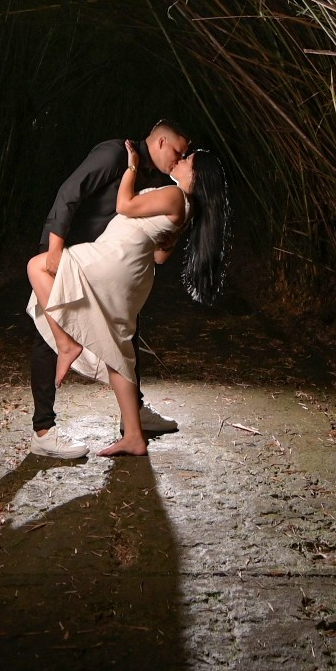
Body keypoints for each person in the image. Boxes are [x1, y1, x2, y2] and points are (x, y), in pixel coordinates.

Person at [27, 142, 230, 456]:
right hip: (134, 276)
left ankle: (65, 342)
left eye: (188, 159)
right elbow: (161, 256)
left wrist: (132, 166)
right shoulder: (185, 209)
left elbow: (124, 205)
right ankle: (134, 436)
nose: (181, 159)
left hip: (113, 260)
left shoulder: (176, 195)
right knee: (118, 352)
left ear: (197, 175)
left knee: (38, 266)